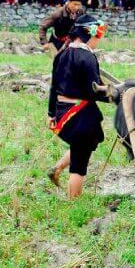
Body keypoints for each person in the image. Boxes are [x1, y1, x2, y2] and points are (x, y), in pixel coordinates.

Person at [46, 15, 109, 198]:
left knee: (86, 143)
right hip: (80, 114)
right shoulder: (87, 57)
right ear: (89, 33)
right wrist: (115, 96)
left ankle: (56, 168)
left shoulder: (62, 54)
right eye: (99, 35)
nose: (99, 40)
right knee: (80, 161)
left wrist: (51, 114)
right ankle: (74, 202)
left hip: (62, 111)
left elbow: (54, 87)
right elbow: (93, 91)